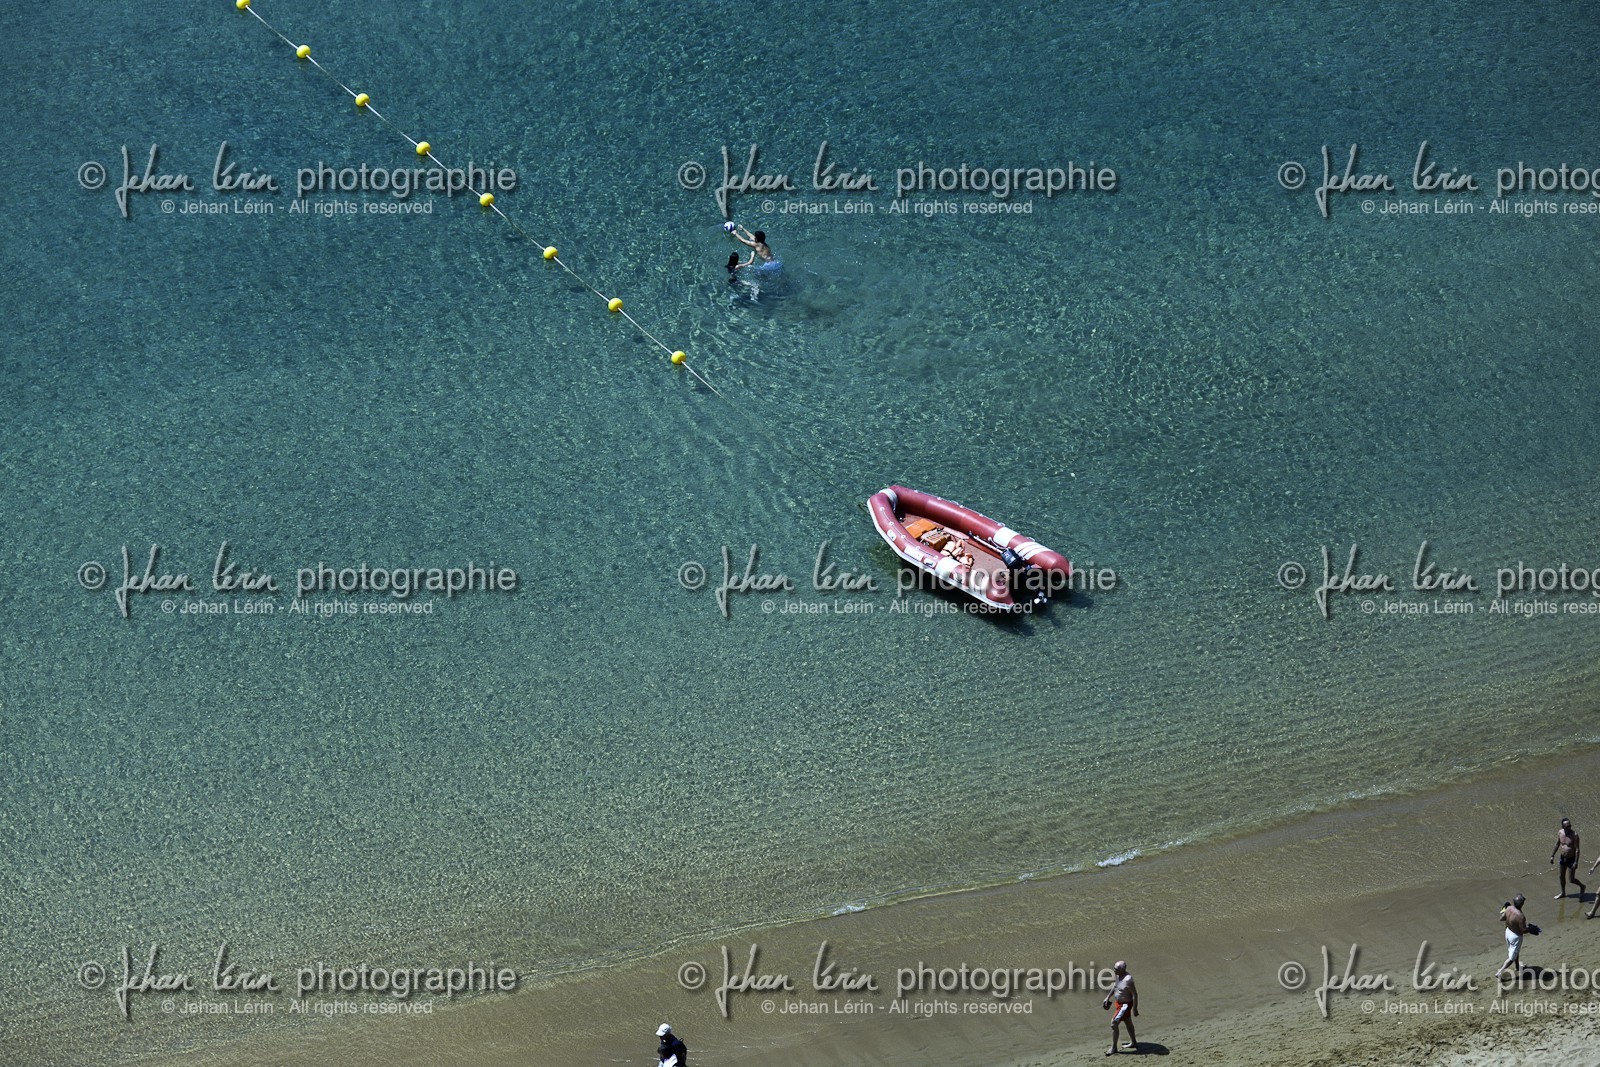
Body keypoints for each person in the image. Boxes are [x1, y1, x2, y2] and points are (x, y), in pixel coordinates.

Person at [1101, 960, 1138, 1055]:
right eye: (1114, 968)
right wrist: (1108, 997)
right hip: (1118, 1004)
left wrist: (1135, 1009)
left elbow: (1134, 994)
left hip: (1125, 1005)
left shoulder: (1128, 980)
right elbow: (1115, 986)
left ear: (1122, 970)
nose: (1114, 970)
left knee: (1114, 1024)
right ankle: (1134, 1042)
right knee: (1127, 1021)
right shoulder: (1118, 975)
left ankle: (1114, 1048)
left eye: (1116, 969)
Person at [1495, 895, 1529, 981]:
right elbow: (1523, 930)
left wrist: (1505, 911)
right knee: (1511, 957)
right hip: (1515, 937)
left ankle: (1517, 966)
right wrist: (1531, 929)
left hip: (1508, 932)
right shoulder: (1521, 916)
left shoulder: (1509, 908)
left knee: (1515, 951)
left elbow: (1501, 919)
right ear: (1522, 904)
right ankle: (1500, 972)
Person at [1552, 818, 1585, 899]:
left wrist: (1576, 862)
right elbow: (1557, 844)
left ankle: (1582, 886)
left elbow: (1577, 849)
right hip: (1563, 858)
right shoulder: (1560, 832)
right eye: (1567, 826)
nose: (1569, 828)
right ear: (1563, 827)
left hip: (1572, 859)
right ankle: (1563, 893)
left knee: (1571, 879)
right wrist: (1552, 855)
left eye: (1570, 826)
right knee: (1561, 876)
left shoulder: (1575, 835)